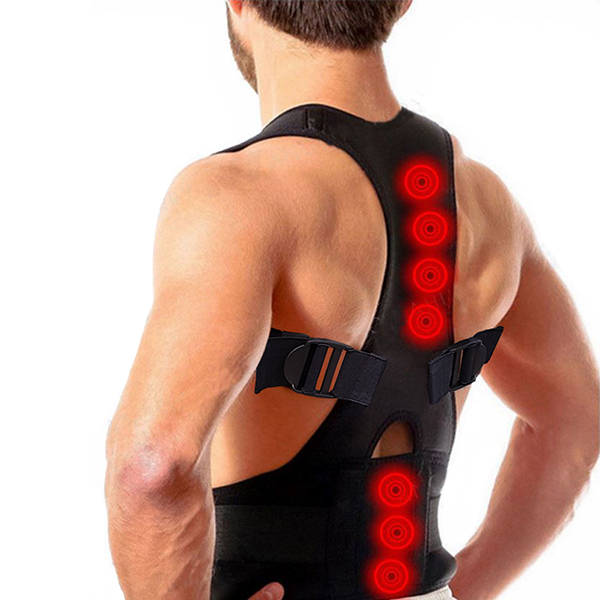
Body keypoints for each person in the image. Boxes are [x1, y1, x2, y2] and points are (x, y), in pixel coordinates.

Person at [104, 2, 599, 599]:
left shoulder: (239, 198)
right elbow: (576, 422)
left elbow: (152, 468)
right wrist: (462, 589)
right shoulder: (488, 203)